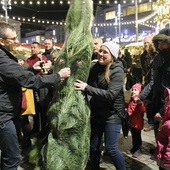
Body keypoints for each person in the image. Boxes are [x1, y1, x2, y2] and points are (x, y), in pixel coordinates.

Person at [0, 22, 71, 170]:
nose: (16, 41)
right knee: (12, 158)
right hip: (3, 118)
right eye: (12, 39)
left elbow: (16, 76)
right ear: (1, 41)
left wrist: (31, 68)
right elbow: (29, 80)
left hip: (6, 114)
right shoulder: (2, 60)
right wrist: (58, 76)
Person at [74, 41, 126, 170]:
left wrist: (87, 88)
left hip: (113, 115)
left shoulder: (118, 71)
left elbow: (110, 95)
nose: (101, 54)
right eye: (100, 51)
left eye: (105, 52)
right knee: (93, 147)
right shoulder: (96, 67)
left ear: (113, 56)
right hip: (97, 114)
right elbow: (84, 79)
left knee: (111, 148)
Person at [27, 42, 53, 137]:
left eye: (34, 47)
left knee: (42, 108)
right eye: (31, 47)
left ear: (39, 48)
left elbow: (45, 71)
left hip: (41, 85)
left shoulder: (42, 58)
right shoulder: (28, 60)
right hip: (31, 86)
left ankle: (44, 129)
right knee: (35, 108)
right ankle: (36, 127)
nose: (32, 49)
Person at [126, 83, 146, 158]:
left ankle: (138, 149)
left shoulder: (139, 101)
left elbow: (142, 110)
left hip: (137, 124)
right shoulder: (132, 99)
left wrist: (139, 104)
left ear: (140, 92)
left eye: (135, 90)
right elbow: (128, 105)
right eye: (133, 89)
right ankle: (134, 148)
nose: (133, 91)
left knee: (137, 137)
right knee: (134, 136)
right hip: (132, 123)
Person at [154, 88, 170, 170]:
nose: (164, 105)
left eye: (167, 103)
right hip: (163, 155)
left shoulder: (168, 124)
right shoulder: (167, 121)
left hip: (166, 161)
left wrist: (167, 161)